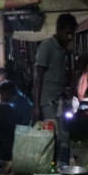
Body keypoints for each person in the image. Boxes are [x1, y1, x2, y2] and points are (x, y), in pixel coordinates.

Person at [33, 13, 76, 165]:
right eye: (67, 33)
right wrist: (37, 105)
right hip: (47, 101)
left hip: (60, 101)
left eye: (72, 33)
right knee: (51, 136)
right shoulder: (47, 46)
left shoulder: (65, 50)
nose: (70, 37)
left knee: (64, 135)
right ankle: (50, 167)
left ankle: (62, 167)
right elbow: (38, 77)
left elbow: (67, 73)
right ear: (58, 29)